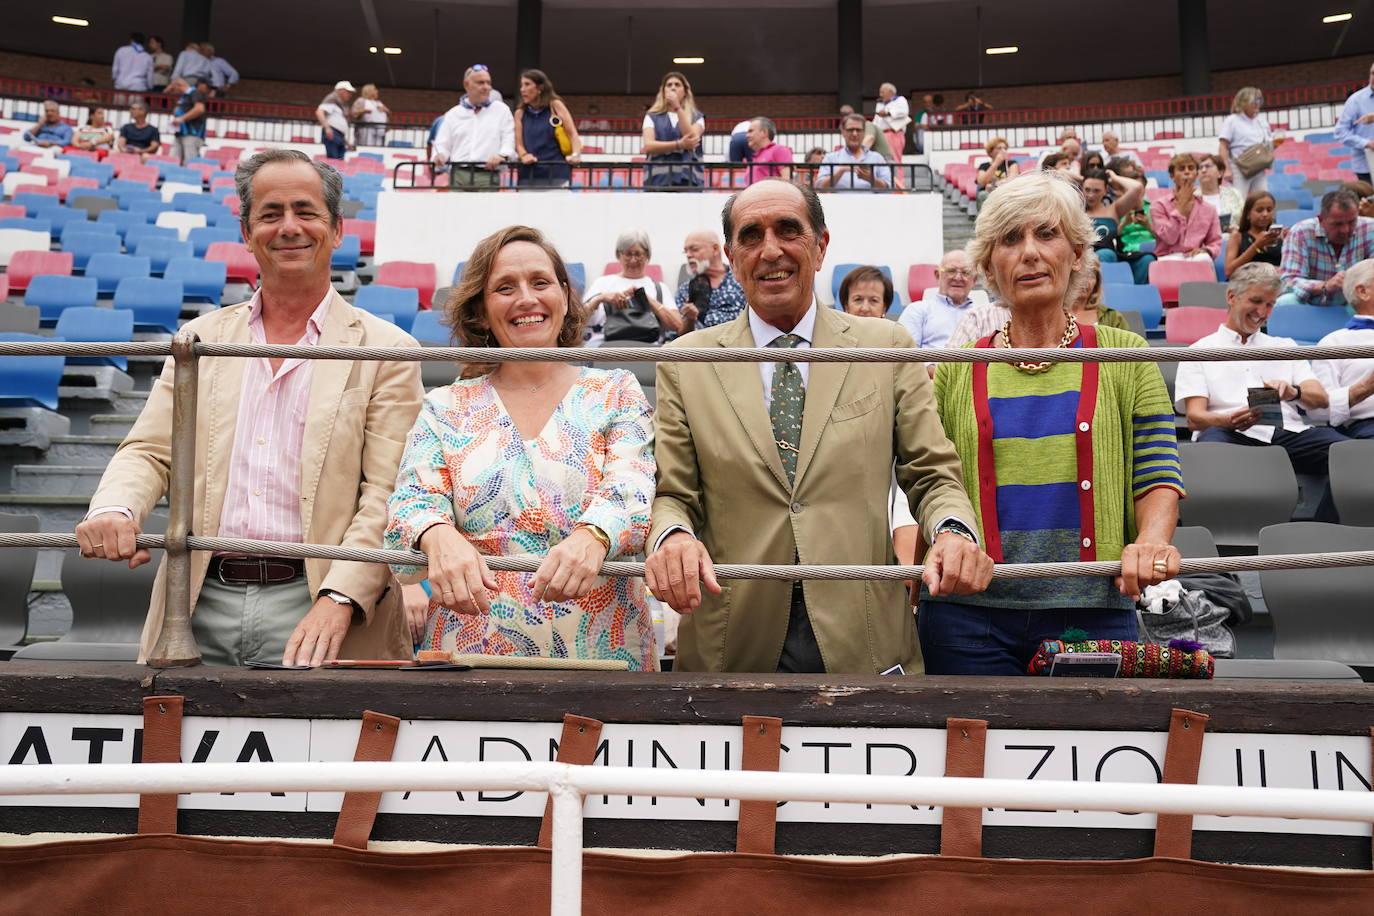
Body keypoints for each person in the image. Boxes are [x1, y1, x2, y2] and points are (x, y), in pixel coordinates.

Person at [75, 149, 423, 666]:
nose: (289, 227)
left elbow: (388, 492)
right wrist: (115, 508)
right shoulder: (198, 340)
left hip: (323, 605)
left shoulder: (387, 349)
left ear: (337, 229)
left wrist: (341, 596)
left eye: (306, 212)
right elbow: (150, 451)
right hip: (196, 600)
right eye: (270, 213)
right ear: (246, 231)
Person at [645, 178, 991, 674]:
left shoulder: (887, 346)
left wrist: (953, 530)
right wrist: (673, 536)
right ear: (732, 257)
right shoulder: (686, 361)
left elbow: (932, 474)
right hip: (733, 635)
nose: (770, 250)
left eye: (788, 230)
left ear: (821, 245)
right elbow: (673, 493)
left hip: (864, 632)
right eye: (751, 236)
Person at [928, 170, 1184, 675]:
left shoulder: (1127, 355)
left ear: (1077, 254)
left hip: (1093, 612)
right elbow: (931, 480)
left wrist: (1152, 540)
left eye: (1046, 234)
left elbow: (1157, 471)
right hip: (965, 618)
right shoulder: (956, 368)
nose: (1029, 253)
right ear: (989, 265)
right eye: (1010, 239)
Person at [384, 226, 657, 669]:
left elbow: (632, 487)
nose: (526, 299)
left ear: (565, 296)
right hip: (472, 651)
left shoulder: (616, 391)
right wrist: (438, 535)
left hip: (602, 647)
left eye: (540, 282)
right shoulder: (445, 406)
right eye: (505, 288)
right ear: (481, 310)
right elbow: (412, 501)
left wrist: (593, 536)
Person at [1176, 261, 1346, 519]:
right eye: (1256, 301)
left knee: (1351, 456)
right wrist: (1227, 420)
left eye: (1270, 304)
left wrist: (1292, 392)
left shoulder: (1284, 346)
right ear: (1231, 297)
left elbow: (1320, 398)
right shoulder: (1200, 351)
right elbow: (1195, 418)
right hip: (1227, 433)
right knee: (1209, 451)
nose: (1262, 312)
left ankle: (1328, 528)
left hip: (1287, 433)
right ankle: (1222, 531)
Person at [582, 230, 682, 345]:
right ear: (618, 255)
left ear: (647, 255)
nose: (633, 260)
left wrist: (647, 300)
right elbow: (577, 321)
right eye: (628, 254)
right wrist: (600, 298)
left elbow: (678, 326)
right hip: (604, 348)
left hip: (648, 349)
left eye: (638, 254)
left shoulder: (659, 288)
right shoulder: (601, 283)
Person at [1277, 188, 1374, 306]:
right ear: (1321, 219)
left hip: (1360, 301)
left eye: (1352, 222)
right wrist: (1325, 286)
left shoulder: (1370, 228)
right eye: (1337, 224)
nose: (1345, 230)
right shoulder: (1300, 232)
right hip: (1314, 301)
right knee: (1285, 302)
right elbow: (1289, 281)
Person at [1312, 259, 1374, 439]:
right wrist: (1365, 388)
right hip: (1366, 427)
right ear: (1363, 292)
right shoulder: (1334, 342)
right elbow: (1319, 411)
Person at [432, 66, 515, 190]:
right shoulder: (453, 114)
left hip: (488, 173)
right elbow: (442, 144)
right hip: (458, 173)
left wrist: (502, 155)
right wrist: (440, 156)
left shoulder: (501, 110)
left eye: (488, 83)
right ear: (466, 85)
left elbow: (509, 138)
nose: (486, 87)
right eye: (480, 83)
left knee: (487, 204)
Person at [897, 249, 979, 353]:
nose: (958, 277)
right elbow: (906, 355)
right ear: (937, 275)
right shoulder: (917, 310)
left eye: (965, 272)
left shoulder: (983, 315)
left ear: (974, 280)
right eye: (951, 271)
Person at [513, 68, 580, 188]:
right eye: (521, 85)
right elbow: (519, 143)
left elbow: (572, 134)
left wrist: (575, 154)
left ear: (540, 88)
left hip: (557, 173)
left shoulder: (555, 106)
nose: (522, 89)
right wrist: (524, 155)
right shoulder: (520, 113)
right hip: (528, 175)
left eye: (527, 84)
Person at [1151, 153, 1222, 263]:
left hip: (1196, 258)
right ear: (1172, 175)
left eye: (1191, 168)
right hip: (1167, 258)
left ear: (1196, 174)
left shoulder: (1209, 209)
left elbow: (1215, 242)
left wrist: (1206, 250)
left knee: (1203, 258)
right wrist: (1180, 208)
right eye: (1181, 169)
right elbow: (1169, 238)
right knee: (1175, 260)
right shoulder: (1159, 206)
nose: (1187, 172)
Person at [1218, 86, 1284, 200]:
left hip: (1259, 168)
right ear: (1244, 101)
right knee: (1238, 202)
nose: (1258, 103)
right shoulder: (1232, 120)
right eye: (1255, 100)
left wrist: (1275, 143)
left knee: (1262, 200)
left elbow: (1266, 145)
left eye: (1260, 100)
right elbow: (1223, 146)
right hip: (1239, 169)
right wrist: (1227, 169)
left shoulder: (1262, 121)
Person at [642, 71, 705, 188]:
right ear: (663, 92)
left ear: (685, 92)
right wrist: (679, 144)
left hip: (689, 179)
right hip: (657, 180)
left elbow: (692, 139)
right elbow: (649, 146)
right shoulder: (651, 116)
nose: (673, 88)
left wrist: (677, 107)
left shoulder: (697, 117)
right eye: (669, 85)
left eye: (677, 85)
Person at [1082, 167, 1146, 280]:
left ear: (1106, 190)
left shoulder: (1114, 209)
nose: (1091, 195)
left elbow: (1137, 188)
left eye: (1096, 191)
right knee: (1104, 254)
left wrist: (1115, 178)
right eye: (1087, 189)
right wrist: (1081, 178)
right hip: (1083, 256)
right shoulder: (1076, 210)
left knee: (1146, 259)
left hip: (1111, 255)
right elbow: (1058, 176)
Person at [676, 229, 747, 330]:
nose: (688, 255)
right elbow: (680, 335)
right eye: (685, 251)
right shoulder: (684, 291)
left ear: (715, 249)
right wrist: (690, 319)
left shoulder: (742, 279)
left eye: (694, 249)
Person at [819, 114, 892, 190]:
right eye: (850, 130)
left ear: (864, 133)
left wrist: (870, 178)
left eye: (858, 130)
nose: (855, 134)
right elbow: (820, 187)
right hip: (840, 198)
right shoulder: (831, 158)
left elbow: (888, 187)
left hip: (870, 197)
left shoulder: (877, 158)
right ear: (843, 132)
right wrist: (841, 171)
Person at [1225, 191, 1284, 277]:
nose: (1265, 214)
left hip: (1275, 280)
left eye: (1269, 210)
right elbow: (1229, 272)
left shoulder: (1279, 237)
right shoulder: (1237, 236)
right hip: (1246, 281)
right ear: (1248, 213)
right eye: (1259, 210)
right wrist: (1256, 246)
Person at [1334, 60, 1374, 184]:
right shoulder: (1355, 100)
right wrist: (1367, 143)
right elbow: (1340, 132)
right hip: (1366, 166)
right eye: (1373, 73)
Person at [1070, 250, 1130, 330]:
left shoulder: (1113, 318)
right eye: (1080, 274)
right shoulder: (1054, 314)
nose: (1085, 281)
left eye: (1091, 275)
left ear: (1097, 281)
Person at [168, 76, 209, 164]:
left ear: (177, 86)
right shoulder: (184, 96)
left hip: (192, 134)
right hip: (180, 133)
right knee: (173, 161)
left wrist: (182, 119)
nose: (172, 92)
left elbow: (199, 109)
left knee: (190, 162)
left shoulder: (194, 92)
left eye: (172, 89)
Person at [1197, 154, 1243, 230]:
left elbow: (1245, 220)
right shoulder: (1192, 197)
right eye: (1200, 168)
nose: (1203, 170)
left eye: (1208, 166)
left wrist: (1236, 229)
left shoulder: (1234, 194)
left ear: (1220, 173)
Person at [743, 117, 793, 185]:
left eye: (751, 131)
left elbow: (787, 182)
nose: (747, 135)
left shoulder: (779, 150)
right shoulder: (754, 157)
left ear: (764, 132)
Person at [316, 80, 356, 162]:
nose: (350, 95)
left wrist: (346, 142)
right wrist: (327, 128)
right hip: (333, 134)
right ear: (340, 90)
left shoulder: (341, 103)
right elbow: (319, 112)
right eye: (348, 92)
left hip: (338, 135)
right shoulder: (332, 98)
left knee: (338, 161)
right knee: (334, 161)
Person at [874, 82, 911, 167]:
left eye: (882, 92)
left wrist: (888, 113)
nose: (880, 95)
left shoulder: (900, 100)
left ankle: (898, 176)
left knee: (895, 160)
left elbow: (904, 112)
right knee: (882, 160)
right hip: (881, 134)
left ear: (890, 92)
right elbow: (876, 120)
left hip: (894, 133)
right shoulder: (880, 104)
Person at [975, 136, 1020, 201]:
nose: (1003, 151)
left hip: (1005, 192)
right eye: (999, 148)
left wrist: (997, 185)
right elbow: (982, 182)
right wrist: (996, 163)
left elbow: (1013, 179)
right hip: (988, 195)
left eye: (1005, 148)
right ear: (991, 152)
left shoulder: (1012, 163)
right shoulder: (983, 166)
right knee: (982, 195)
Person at [350, 83, 390, 148]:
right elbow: (353, 113)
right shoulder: (361, 101)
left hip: (379, 131)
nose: (377, 91)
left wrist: (385, 110)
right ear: (369, 91)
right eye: (375, 89)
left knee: (378, 148)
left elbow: (388, 113)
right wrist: (363, 111)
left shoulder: (378, 103)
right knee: (366, 147)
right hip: (365, 130)